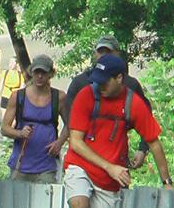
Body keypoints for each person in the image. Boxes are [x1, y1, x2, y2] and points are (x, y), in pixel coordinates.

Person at [60, 53, 174, 208]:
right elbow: (75, 143)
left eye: (104, 81)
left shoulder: (133, 104)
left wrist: (166, 182)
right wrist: (110, 167)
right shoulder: (86, 95)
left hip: (109, 178)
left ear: (119, 78)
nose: (99, 85)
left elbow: (154, 143)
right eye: (96, 80)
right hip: (80, 165)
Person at [58, 35, 152, 170]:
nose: (103, 55)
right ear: (95, 54)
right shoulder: (80, 83)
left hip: (116, 157)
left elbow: (147, 119)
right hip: (81, 157)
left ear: (117, 54)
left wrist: (142, 149)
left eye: (108, 52)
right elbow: (69, 118)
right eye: (100, 51)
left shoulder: (130, 85)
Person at [1, 54, 65, 183]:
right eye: (37, 72)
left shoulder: (59, 97)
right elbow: (4, 128)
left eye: (43, 72)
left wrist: (59, 142)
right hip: (20, 166)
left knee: (46, 202)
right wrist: (20, 133)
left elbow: (71, 124)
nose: (40, 76)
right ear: (32, 72)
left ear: (51, 74)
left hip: (47, 166)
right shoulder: (18, 96)